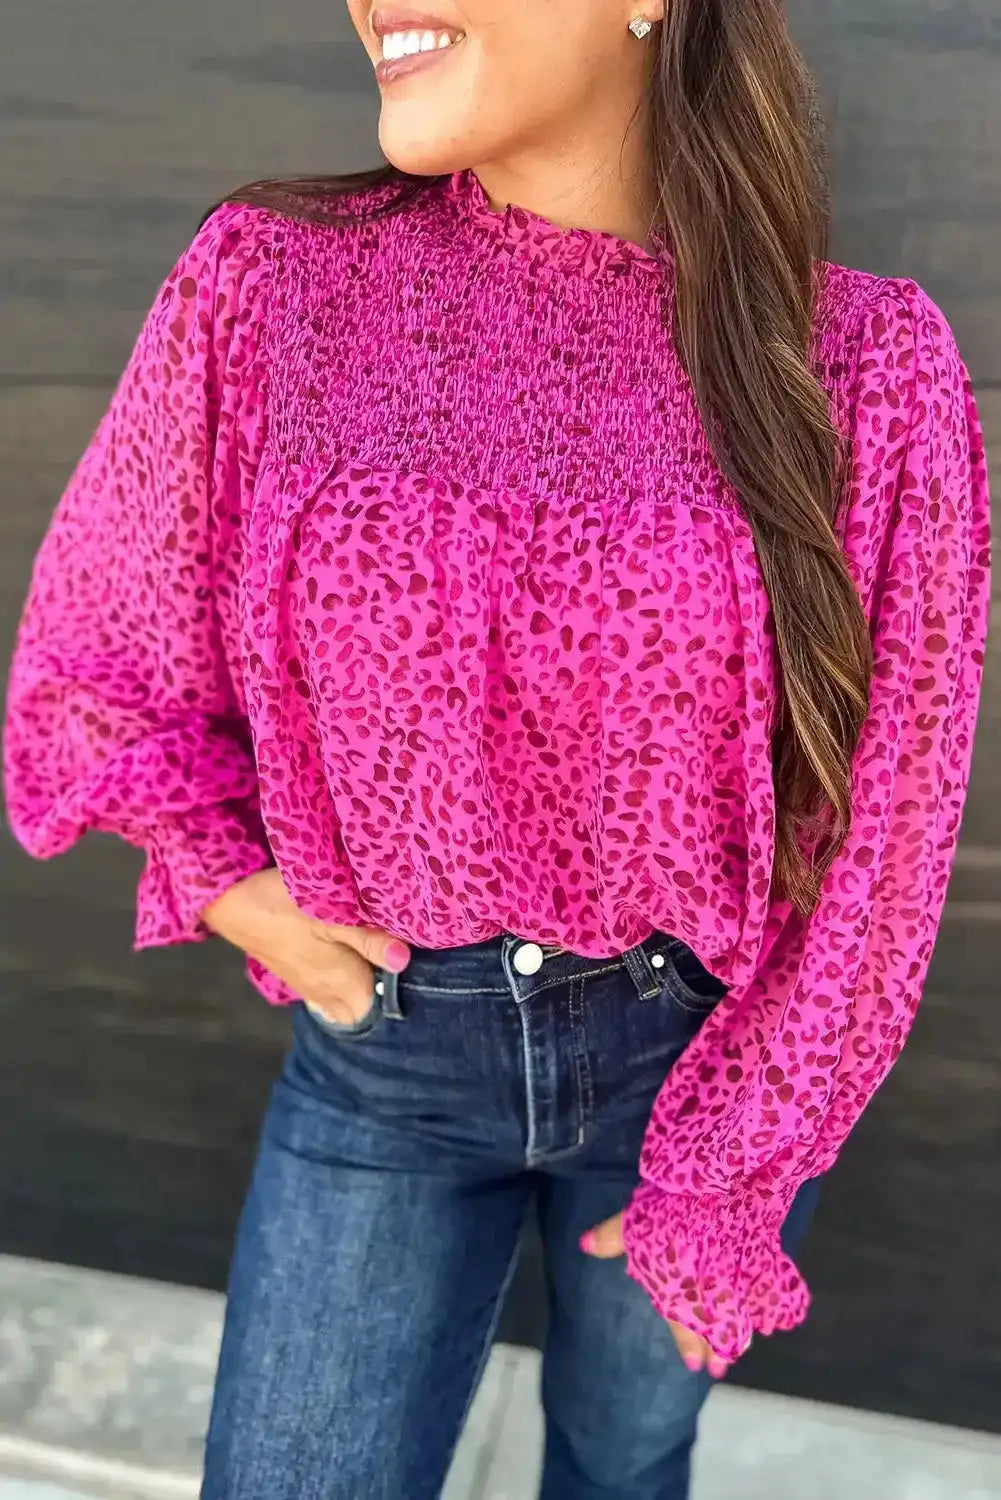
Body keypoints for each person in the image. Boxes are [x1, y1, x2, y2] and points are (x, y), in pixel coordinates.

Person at [2, 1, 991, 1496]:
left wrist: (732, 1169)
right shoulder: (276, 280)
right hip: (388, 1055)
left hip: (699, 1066)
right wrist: (230, 881)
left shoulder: (861, 359)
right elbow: (94, 650)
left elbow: (887, 834)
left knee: (622, 1462)